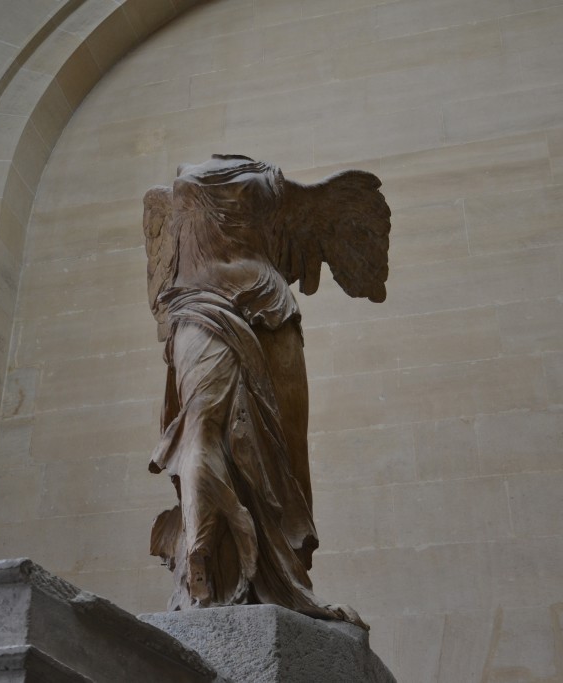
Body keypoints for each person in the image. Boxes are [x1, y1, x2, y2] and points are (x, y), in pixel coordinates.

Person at [143, 155, 389, 627]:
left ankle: (218, 565)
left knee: (218, 436)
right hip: (251, 308)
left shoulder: (183, 192)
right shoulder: (265, 183)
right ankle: (237, 568)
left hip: (218, 311)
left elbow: (162, 281)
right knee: (257, 447)